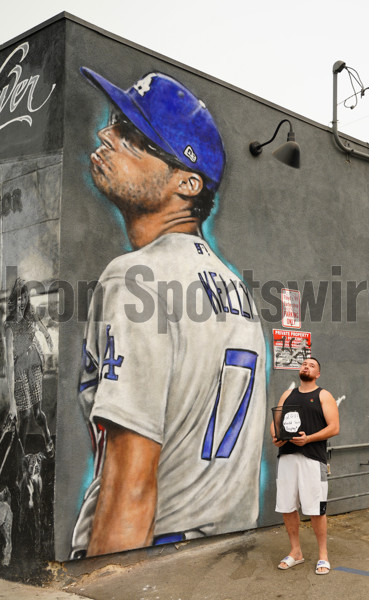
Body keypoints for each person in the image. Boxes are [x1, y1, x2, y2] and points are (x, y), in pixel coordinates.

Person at [70, 69, 267, 558]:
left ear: (187, 182)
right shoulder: (235, 290)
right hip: (221, 561)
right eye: (114, 123)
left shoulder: (136, 279)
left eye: (133, 137)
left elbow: (129, 491)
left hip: (150, 561)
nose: (106, 136)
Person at [270, 357, 339, 575]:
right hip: (287, 457)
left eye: (311, 366)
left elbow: (334, 427)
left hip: (312, 458)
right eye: (303, 364)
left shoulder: (323, 395)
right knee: (287, 507)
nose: (306, 367)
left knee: (316, 509)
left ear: (318, 374)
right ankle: (296, 552)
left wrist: (308, 438)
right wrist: (275, 436)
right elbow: (276, 422)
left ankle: (323, 556)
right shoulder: (287, 394)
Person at [3, 278, 54, 457]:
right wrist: (12, 404)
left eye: (24, 297)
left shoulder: (30, 313)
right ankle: (20, 459)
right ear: (13, 300)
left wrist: (48, 336)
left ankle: (47, 436)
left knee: (37, 413)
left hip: (34, 363)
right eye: (19, 298)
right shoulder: (9, 326)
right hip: (18, 369)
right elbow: (9, 363)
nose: (22, 302)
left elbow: (41, 327)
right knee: (23, 417)